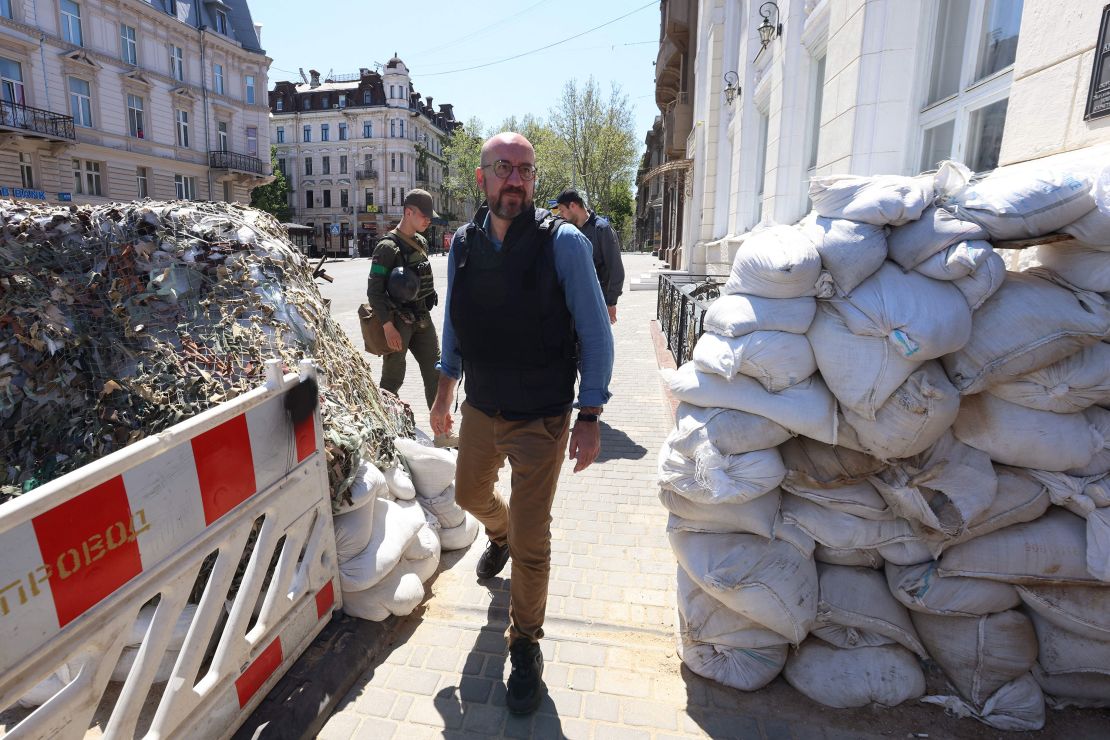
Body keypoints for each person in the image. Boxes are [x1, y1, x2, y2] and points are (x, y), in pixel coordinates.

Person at [430, 132, 613, 715]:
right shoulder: (462, 245)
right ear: (482, 178)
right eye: (504, 168)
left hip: (542, 417)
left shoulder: (564, 245)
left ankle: (526, 643)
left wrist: (591, 414)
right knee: (467, 494)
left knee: (536, 542)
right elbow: (456, 324)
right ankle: (498, 532)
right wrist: (444, 391)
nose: (517, 180)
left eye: (526, 171)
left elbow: (595, 332)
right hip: (481, 407)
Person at [365, 189, 440, 409]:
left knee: (436, 371)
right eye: (423, 215)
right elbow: (374, 291)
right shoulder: (387, 247)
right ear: (408, 212)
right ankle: (386, 428)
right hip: (398, 321)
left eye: (429, 216)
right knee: (392, 378)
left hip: (422, 318)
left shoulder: (421, 242)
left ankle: (441, 431)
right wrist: (388, 327)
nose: (428, 220)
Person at [555, 189, 625, 324]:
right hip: (576, 300)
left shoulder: (602, 229)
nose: (562, 215)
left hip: (598, 302)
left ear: (573, 206)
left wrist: (611, 302)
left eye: (563, 210)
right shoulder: (571, 229)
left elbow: (616, 269)